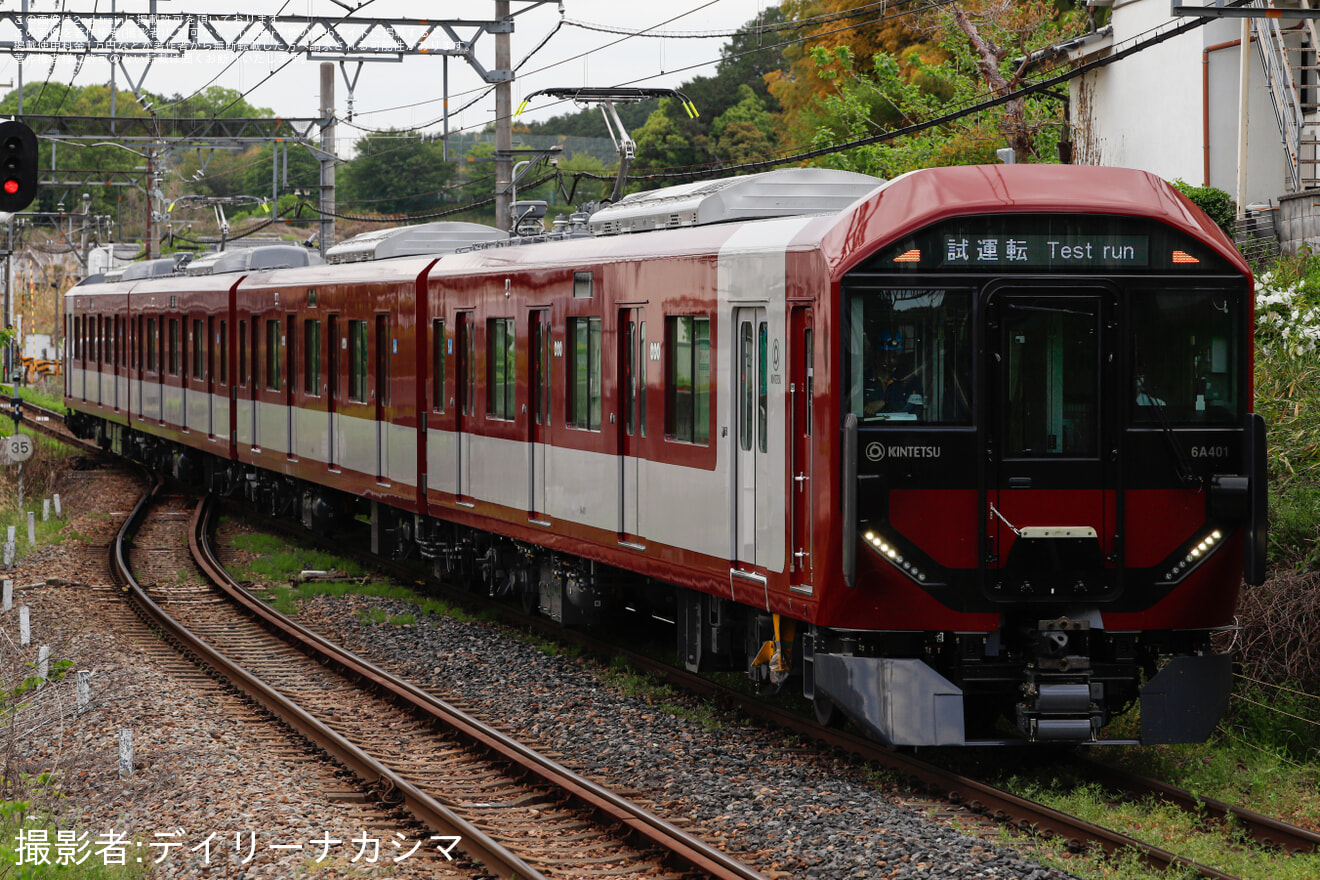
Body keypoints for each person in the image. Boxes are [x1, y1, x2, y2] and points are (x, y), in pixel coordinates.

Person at [864, 331, 923, 417]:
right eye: (885, 354)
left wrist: (885, 403)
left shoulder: (910, 380)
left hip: (902, 428)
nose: (890, 360)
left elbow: (915, 408)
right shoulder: (862, 378)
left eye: (894, 356)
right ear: (876, 354)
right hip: (869, 428)